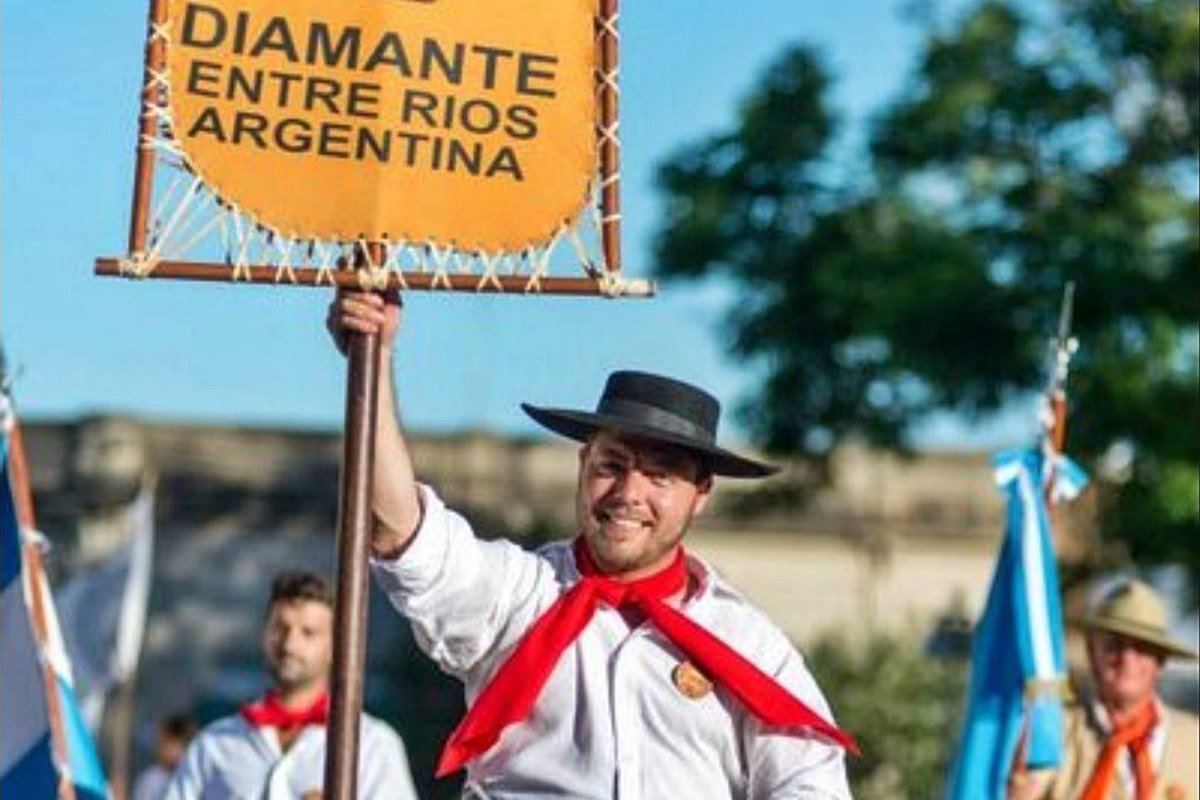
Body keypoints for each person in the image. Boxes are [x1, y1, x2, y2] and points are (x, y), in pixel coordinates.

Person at [328, 290, 855, 799]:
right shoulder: (517, 595)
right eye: (612, 466)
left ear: (700, 495)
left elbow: (810, 783)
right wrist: (372, 359)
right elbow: (402, 529)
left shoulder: (747, 642)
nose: (629, 493)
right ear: (583, 466)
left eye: (660, 475)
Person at [163, 570, 418, 800]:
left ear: (335, 646)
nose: (289, 644)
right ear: (264, 635)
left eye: (308, 632)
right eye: (280, 628)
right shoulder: (214, 745)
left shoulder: (372, 746)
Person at [1008, 579, 1199, 800]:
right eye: (1113, 645)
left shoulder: (1194, 741)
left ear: (1161, 661)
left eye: (1141, 648)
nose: (1127, 659)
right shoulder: (1055, 729)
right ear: (1091, 651)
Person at [132, 714, 198, 800]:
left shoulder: (194, 778)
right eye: (171, 743)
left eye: (182, 744)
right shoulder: (150, 780)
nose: (175, 750)